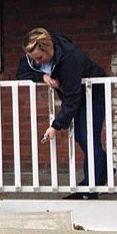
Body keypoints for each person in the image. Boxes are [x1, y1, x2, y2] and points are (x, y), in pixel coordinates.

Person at [16, 27, 108, 199]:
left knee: (88, 138)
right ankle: (104, 169)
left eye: (39, 58)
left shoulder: (70, 58)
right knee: (82, 137)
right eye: (33, 58)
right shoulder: (35, 58)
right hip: (76, 94)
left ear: (48, 49)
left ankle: (90, 190)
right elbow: (21, 73)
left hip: (93, 93)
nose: (37, 63)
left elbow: (72, 99)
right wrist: (41, 76)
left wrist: (55, 126)